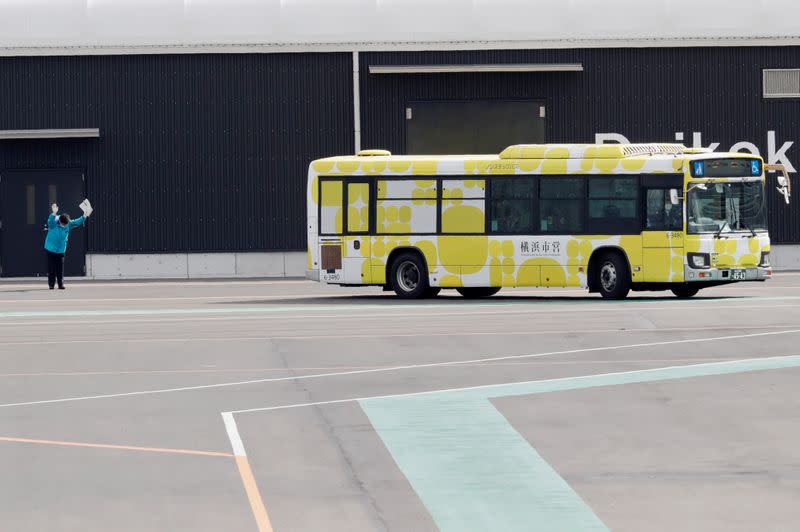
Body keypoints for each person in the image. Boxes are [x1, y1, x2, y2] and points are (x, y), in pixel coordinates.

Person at [44, 203, 89, 290]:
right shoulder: (53, 223)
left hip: (61, 250)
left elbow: (77, 222)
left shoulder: (68, 223)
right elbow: (50, 220)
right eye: (62, 225)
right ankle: (51, 285)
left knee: (60, 268)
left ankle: (61, 284)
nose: (64, 226)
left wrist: (84, 215)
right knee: (51, 268)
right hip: (50, 249)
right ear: (59, 221)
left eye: (65, 225)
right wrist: (54, 212)